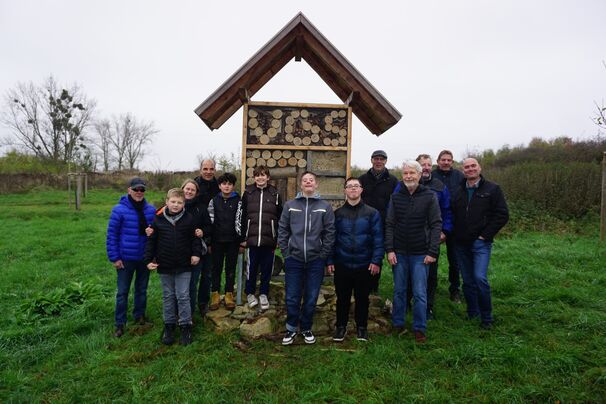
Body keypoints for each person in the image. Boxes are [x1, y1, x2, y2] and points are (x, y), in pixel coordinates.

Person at [385, 161, 442, 343]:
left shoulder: (429, 196)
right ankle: (398, 324)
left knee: (419, 292)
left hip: (421, 253)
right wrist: (390, 249)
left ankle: (419, 328)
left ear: (419, 175)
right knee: (399, 291)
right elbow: (390, 224)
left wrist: (432, 251)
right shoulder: (396, 197)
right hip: (399, 252)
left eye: (412, 173)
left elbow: (435, 225)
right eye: (406, 173)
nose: (408, 176)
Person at [278, 171, 335, 345]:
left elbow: (330, 232)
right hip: (293, 259)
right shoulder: (290, 205)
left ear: (316, 184)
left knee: (311, 296)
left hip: (315, 260)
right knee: (292, 297)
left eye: (311, 180)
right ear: (301, 185)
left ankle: (307, 328)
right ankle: (291, 329)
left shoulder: (325, 206)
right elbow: (282, 230)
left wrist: (323, 255)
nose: (308, 182)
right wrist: (286, 253)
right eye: (305, 180)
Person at [452, 158, 509, 330]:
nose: (470, 169)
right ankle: (472, 312)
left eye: (473, 166)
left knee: (479, 278)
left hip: (480, 243)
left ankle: (487, 317)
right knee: (468, 280)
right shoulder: (458, 190)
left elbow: (502, 215)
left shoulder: (492, 189)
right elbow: (452, 213)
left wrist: (485, 236)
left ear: (479, 168)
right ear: (463, 170)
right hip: (461, 243)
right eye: (466, 167)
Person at [327, 177, 383, 342]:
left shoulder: (372, 213)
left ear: (361, 190)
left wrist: (376, 260)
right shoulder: (337, 214)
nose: (353, 189)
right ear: (345, 191)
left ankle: (361, 328)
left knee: (362, 298)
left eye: (356, 186)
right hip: (342, 263)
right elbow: (331, 239)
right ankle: (341, 327)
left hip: (364, 264)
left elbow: (378, 239)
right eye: (349, 186)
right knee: (342, 298)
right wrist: (330, 261)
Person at [144, 188, 202, 345]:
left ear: (184, 204)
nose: (176, 205)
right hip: (165, 265)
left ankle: (185, 326)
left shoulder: (189, 219)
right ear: (166, 202)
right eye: (173, 202)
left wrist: (196, 254)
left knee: (183, 296)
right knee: (168, 296)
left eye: (179, 202)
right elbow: (152, 241)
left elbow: (195, 239)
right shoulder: (158, 220)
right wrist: (148, 259)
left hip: (184, 265)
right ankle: (169, 326)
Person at [106, 177, 156, 338]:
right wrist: (114, 257)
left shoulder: (150, 210)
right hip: (125, 258)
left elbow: (156, 233)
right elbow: (111, 235)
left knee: (141, 289)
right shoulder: (119, 210)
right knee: (122, 292)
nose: (139, 192)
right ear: (129, 190)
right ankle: (120, 323)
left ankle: (139, 315)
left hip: (143, 258)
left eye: (142, 190)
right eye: (136, 189)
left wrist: (153, 255)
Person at [416, 154, 453, 319]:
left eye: (428, 165)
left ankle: (428, 306)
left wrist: (445, 230)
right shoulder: (407, 183)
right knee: (412, 271)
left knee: (431, 273)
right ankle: (412, 302)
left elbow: (447, 210)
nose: (426, 167)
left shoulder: (439, 186)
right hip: (412, 236)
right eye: (422, 164)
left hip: (432, 236)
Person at [240, 166, 282, 311]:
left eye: (263, 175)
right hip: (251, 240)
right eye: (257, 175)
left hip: (269, 240)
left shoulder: (275, 193)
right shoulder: (248, 193)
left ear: (268, 177)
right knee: (251, 269)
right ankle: (250, 293)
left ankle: (264, 293)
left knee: (266, 269)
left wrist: (277, 238)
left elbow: (280, 217)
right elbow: (242, 215)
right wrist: (242, 237)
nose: (260, 178)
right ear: (254, 177)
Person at [358, 150, 398, 294]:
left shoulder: (393, 181)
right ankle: (361, 285)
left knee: (377, 255)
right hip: (363, 222)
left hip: (383, 223)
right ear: (371, 160)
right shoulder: (362, 179)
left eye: (381, 159)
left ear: (386, 161)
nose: (379, 161)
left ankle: (373, 288)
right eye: (376, 159)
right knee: (363, 253)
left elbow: (396, 202)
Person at [432, 150, 465, 303]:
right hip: (435, 223)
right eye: (443, 160)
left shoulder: (459, 176)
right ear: (438, 161)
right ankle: (430, 287)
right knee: (432, 258)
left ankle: (455, 290)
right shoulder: (432, 176)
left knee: (455, 259)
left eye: (449, 160)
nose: (446, 162)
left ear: (452, 162)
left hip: (456, 223)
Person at [207, 172, 243, 310]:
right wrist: (209, 242)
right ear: (219, 186)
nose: (226, 186)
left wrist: (241, 241)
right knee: (216, 268)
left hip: (233, 241)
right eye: (224, 184)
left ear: (233, 186)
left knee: (230, 268)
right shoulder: (213, 200)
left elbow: (241, 221)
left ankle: (229, 294)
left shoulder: (239, 201)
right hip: (216, 241)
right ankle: (215, 294)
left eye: (229, 184)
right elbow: (209, 222)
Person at [193, 159, 220, 316]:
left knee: (207, 274)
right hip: (193, 236)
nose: (208, 171)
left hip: (212, 236)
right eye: (205, 168)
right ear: (200, 169)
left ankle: (203, 303)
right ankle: (187, 304)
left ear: (215, 170)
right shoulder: (194, 186)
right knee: (192, 275)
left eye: (211, 168)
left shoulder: (219, 186)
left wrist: (211, 240)